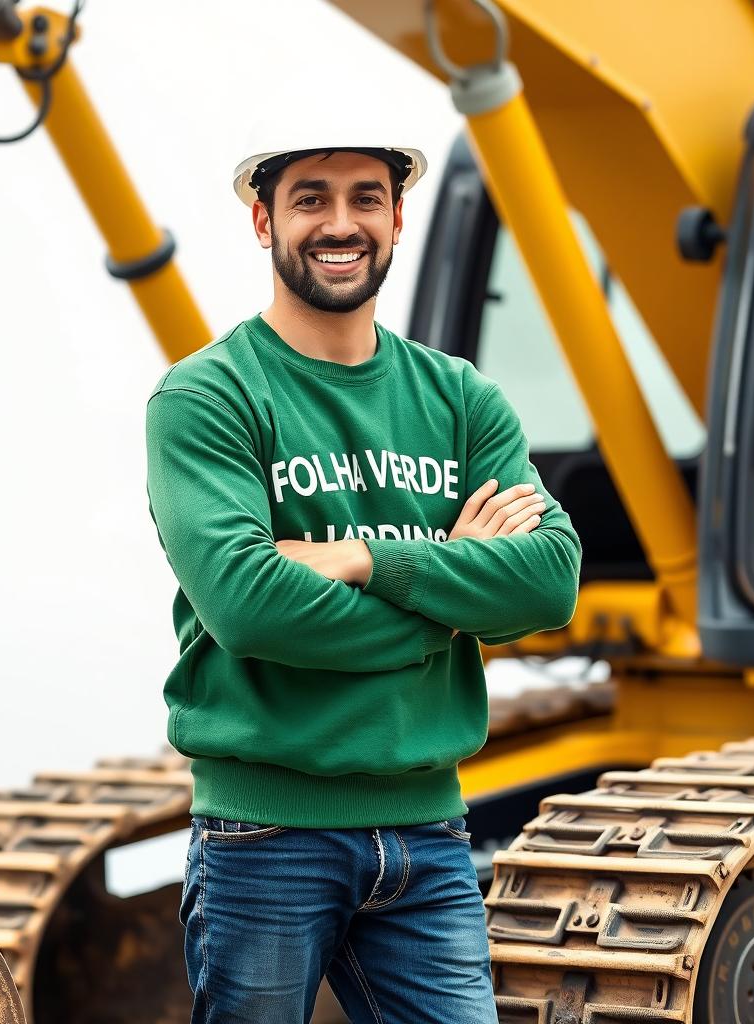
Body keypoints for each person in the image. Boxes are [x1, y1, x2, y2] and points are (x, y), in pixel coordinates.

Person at [144, 139, 582, 1024]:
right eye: (311, 199)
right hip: (265, 840)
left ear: (397, 218)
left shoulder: (461, 400)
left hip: (429, 834)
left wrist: (362, 560)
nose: (340, 224)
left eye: (365, 199)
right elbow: (250, 604)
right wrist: (453, 600)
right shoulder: (209, 398)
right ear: (263, 219)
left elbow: (547, 582)